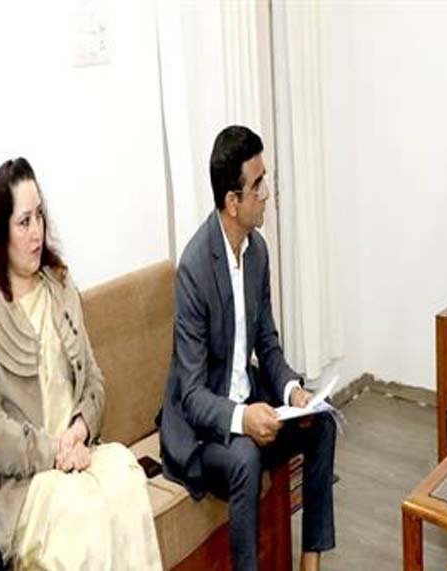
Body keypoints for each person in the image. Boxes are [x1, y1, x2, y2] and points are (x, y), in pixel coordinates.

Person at [0, 157, 161, 569]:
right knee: (82, 510)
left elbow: (94, 382)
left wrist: (81, 430)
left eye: (39, 216)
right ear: (0, 231)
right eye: (24, 222)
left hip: (79, 453)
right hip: (26, 481)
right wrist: (56, 451)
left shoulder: (60, 285)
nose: (36, 232)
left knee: (127, 477)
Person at [159, 125, 336, 571]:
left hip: (248, 398)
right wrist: (243, 418)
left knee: (321, 422)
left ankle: (310, 562)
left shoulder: (257, 252)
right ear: (232, 201)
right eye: (258, 186)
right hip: (204, 430)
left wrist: (293, 390)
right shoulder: (195, 269)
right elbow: (192, 395)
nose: (267, 195)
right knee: (245, 456)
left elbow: (267, 345)